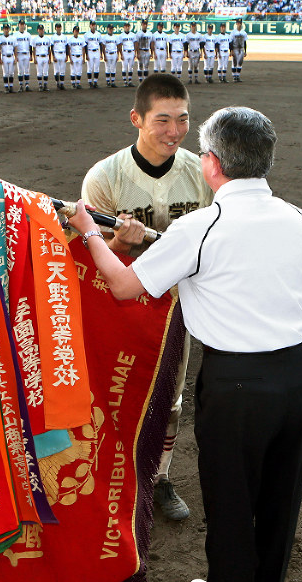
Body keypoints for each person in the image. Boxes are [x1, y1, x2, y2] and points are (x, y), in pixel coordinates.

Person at [69, 105, 302, 582]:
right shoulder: (297, 217)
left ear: (212, 164)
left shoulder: (201, 226)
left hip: (236, 382)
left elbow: (123, 286)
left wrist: (89, 231)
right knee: (283, 489)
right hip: (299, 373)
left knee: (231, 494)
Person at [81, 74, 213, 521]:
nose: (174, 131)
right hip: (120, 305)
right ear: (136, 119)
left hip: (178, 306)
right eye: (162, 120)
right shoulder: (105, 176)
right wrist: (120, 244)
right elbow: (89, 254)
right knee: (114, 394)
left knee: (170, 395)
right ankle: (113, 478)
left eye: (182, 120)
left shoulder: (200, 173)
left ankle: (158, 477)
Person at [30, 22, 53, 91]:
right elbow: (33, 49)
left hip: (46, 56)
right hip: (38, 57)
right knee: (39, 72)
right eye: (39, 30)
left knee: (45, 72)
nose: (41, 31)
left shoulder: (47, 39)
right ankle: (40, 85)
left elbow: (49, 49)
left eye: (42, 29)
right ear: (37, 30)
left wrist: (49, 58)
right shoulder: (35, 39)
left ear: (43, 30)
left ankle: (45, 85)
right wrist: (34, 58)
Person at [0, 23, 17, 93]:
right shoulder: (0, 38)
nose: (6, 30)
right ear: (3, 30)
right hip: (4, 56)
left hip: (11, 56)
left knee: (11, 73)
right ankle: (6, 87)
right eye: (5, 29)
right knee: (5, 73)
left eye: (7, 29)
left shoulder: (13, 38)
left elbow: (15, 48)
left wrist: (16, 57)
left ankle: (11, 87)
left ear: (9, 29)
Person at [13, 18, 33, 92]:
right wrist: (15, 56)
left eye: (23, 24)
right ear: (18, 25)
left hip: (26, 53)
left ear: (25, 25)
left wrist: (31, 55)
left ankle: (27, 85)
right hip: (19, 54)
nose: (22, 26)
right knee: (20, 70)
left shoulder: (28, 35)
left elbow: (30, 45)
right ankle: (21, 85)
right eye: (20, 24)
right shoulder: (15, 35)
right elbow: (14, 46)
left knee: (27, 70)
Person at [83, 20, 103, 89]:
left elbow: (100, 44)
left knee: (96, 67)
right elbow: (85, 45)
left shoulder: (98, 34)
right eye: (92, 25)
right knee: (90, 68)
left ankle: (95, 82)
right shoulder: (86, 35)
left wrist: (101, 54)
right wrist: (86, 55)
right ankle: (90, 82)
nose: (93, 26)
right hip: (90, 51)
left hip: (97, 51)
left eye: (94, 25)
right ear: (90, 25)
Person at [101, 23, 121, 87]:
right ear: (107, 29)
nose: (111, 30)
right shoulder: (105, 37)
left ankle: (112, 81)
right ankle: (107, 81)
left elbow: (118, 46)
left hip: (114, 53)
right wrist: (104, 55)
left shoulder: (116, 37)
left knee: (113, 68)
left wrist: (118, 54)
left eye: (112, 29)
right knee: (107, 68)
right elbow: (103, 47)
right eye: (110, 29)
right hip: (108, 53)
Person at [51, 22, 70, 90]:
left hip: (63, 54)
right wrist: (53, 56)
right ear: (55, 28)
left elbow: (67, 46)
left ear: (61, 28)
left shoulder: (64, 36)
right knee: (56, 70)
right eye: (57, 27)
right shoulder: (53, 37)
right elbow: (52, 47)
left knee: (62, 70)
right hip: (56, 53)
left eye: (59, 27)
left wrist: (67, 56)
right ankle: (57, 83)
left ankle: (62, 84)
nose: (58, 28)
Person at [67, 24, 86, 89]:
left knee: (79, 71)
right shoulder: (70, 40)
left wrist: (83, 58)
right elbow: (68, 49)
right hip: (73, 56)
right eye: (75, 31)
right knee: (73, 71)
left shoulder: (81, 39)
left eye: (77, 31)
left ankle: (77, 83)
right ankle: (73, 84)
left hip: (80, 56)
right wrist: (70, 58)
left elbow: (83, 49)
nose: (76, 32)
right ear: (73, 31)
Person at [119, 21, 137, 87]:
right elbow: (120, 45)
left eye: (128, 26)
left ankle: (129, 81)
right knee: (124, 67)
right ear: (124, 27)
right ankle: (125, 82)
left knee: (130, 67)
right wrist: (121, 54)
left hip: (131, 52)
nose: (127, 27)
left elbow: (135, 43)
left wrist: (135, 52)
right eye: (126, 26)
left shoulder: (133, 35)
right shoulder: (121, 35)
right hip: (125, 52)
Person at [230, 19, 248, 83]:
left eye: (240, 23)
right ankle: (234, 76)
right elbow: (231, 42)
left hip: (241, 49)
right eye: (238, 23)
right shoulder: (233, 32)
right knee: (234, 63)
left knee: (240, 63)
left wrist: (245, 51)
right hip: (235, 48)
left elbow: (245, 42)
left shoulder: (244, 33)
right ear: (236, 24)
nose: (239, 24)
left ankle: (238, 76)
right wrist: (231, 51)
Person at [135, 18, 153, 83]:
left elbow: (151, 43)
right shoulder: (138, 33)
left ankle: (145, 81)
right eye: (143, 24)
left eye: (146, 24)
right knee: (140, 66)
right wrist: (137, 53)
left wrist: (152, 52)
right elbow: (136, 43)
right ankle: (140, 81)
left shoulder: (150, 33)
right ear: (141, 24)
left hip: (147, 51)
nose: (145, 25)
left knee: (146, 66)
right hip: (141, 50)